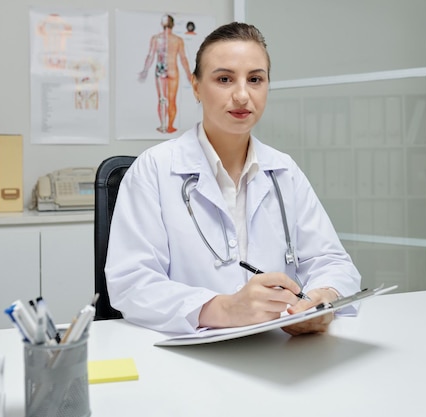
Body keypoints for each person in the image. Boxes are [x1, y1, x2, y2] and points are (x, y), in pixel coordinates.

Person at [106, 22, 361, 335]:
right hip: (185, 359)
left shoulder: (284, 171)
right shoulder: (154, 169)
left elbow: (332, 260)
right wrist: (224, 309)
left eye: (255, 79)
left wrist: (323, 300)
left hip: (279, 354)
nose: (242, 95)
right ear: (196, 86)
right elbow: (132, 283)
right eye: (224, 79)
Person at [138, 14, 192, 134]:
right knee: (172, 100)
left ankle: (163, 126)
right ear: (172, 24)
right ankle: (170, 126)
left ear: (162, 24)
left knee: (162, 99)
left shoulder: (156, 38)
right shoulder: (177, 40)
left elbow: (150, 56)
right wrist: (189, 74)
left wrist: (145, 70)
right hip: (172, 70)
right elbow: (183, 58)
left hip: (160, 70)